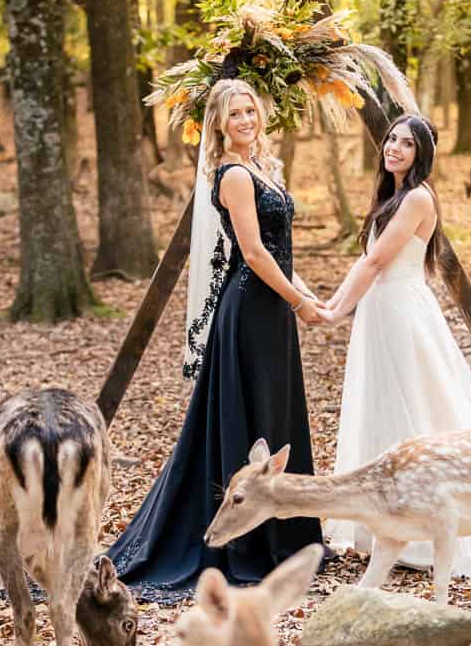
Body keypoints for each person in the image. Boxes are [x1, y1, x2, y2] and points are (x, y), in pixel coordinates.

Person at [107, 79, 325, 597]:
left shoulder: (262, 167)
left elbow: (281, 248)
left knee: (275, 412)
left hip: (273, 310)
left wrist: (311, 296)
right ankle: (251, 544)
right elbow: (252, 253)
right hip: (250, 310)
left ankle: (287, 535)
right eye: (234, 114)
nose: (245, 120)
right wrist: (298, 302)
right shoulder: (232, 175)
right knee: (249, 414)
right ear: (219, 125)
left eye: (250, 109)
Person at [321, 113, 471, 581]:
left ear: (421, 154)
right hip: (382, 312)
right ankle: (385, 524)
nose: (393, 148)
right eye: (391, 139)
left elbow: (372, 262)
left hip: (402, 315)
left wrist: (332, 311)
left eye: (406, 144)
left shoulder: (416, 199)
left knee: (416, 406)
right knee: (383, 404)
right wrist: (332, 303)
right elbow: (367, 264)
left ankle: (426, 521)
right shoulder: (393, 197)